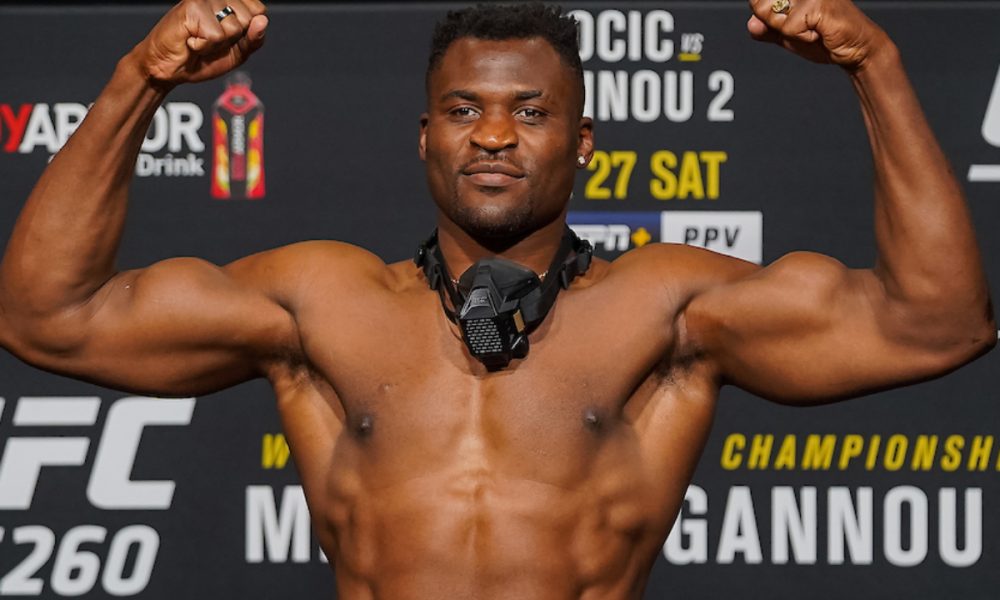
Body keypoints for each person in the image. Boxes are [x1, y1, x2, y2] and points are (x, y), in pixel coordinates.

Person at [0, 0, 994, 597]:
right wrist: (141, 79)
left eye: (531, 111)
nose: (492, 135)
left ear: (583, 141)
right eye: (464, 109)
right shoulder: (325, 302)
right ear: (424, 136)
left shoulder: (665, 308)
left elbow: (936, 324)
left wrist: (874, 63)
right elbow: (47, 318)